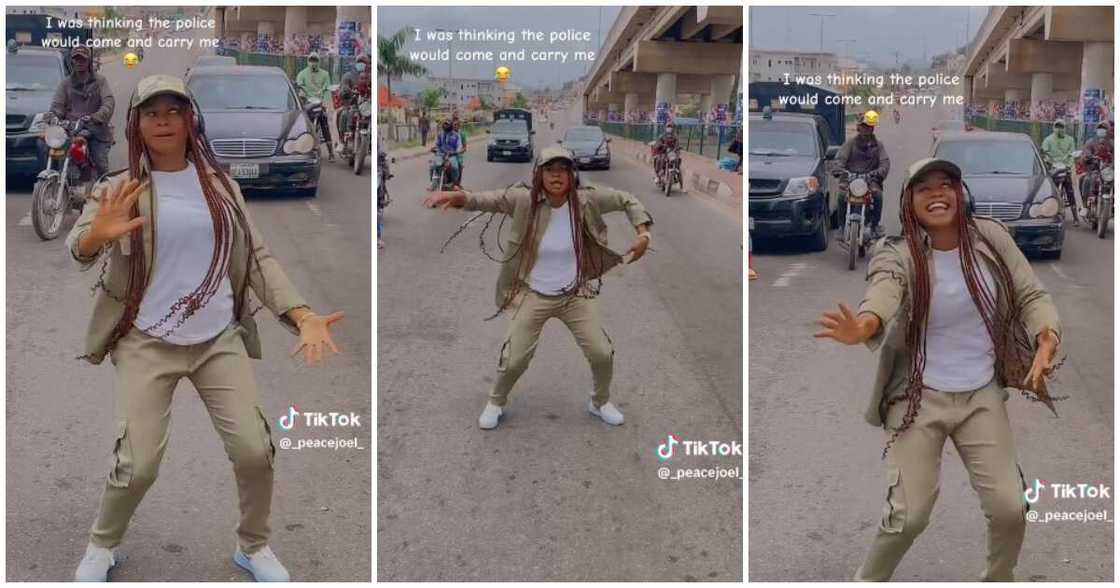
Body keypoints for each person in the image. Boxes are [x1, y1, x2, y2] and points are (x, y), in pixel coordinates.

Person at [66, 75, 345, 582]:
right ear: (137, 124)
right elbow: (81, 244)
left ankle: (253, 546)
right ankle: (102, 545)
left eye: (174, 110)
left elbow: (257, 258)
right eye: (152, 113)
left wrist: (301, 314)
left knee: (255, 450)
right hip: (146, 340)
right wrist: (93, 239)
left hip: (217, 340)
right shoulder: (120, 187)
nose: (164, 120)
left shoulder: (221, 186)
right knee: (137, 464)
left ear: (190, 119)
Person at [815, 158, 1062, 582]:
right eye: (924, 188)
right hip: (917, 398)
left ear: (959, 193)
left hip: (980, 395)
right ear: (908, 201)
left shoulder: (991, 238)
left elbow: (1030, 292)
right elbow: (884, 290)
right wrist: (865, 324)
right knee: (908, 517)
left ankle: (999, 578)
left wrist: (1046, 334)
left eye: (946, 185)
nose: (937, 194)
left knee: (1010, 508)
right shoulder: (898, 252)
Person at [422, 146, 653, 429]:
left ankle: (599, 401)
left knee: (601, 352)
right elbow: (485, 199)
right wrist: (459, 197)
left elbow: (626, 199)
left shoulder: (587, 200)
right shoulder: (523, 200)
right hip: (533, 293)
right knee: (515, 359)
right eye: (550, 170)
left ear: (572, 175)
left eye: (563, 170)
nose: (556, 176)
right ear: (539, 175)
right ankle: (496, 401)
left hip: (576, 293)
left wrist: (643, 233)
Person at [48, 46, 114, 178]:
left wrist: (96, 117)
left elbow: (109, 102)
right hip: (71, 129)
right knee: (52, 150)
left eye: (83, 59)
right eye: (76, 59)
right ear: (72, 61)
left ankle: (104, 191)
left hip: (95, 129)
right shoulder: (65, 84)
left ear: (89, 61)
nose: (79, 62)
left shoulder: (100, 81)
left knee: (101, 163)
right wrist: (53, 116)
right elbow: (57, 105)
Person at [835, 110, 891, 238]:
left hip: (871, 180)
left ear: (872, 128)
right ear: (858, 127)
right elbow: (840, 159)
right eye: (863, 126)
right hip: (850, 179)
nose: (866, 129)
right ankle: (842, 226)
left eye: (869, 127)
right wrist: (839, 169)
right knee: (841, 196)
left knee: (878, 196)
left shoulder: (878, 145)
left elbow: (885, 162)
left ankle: (875, 225)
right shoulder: (850, 143)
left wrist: (879, 172)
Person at [295, 51, 334, 161]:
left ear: (319, 61)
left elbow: (327, 90)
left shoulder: (325, 74)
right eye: (311, 60)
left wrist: (327, 103)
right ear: (308, 61)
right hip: (307, 103)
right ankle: (300, 148)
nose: (313, 62)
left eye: (315, 60)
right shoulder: (302, 74)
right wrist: (301, 94)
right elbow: (299, 85)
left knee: (324, 124)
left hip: (320, 103)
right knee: (303, 125)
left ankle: (331, 152)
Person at [1040, 119, 1080, 225]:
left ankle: (1075, 217)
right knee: (1049, 191)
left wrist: (1069, 164)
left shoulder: (1070, 140)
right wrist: (1048, 161)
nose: (1059, 129)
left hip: (1065, 168)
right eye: (1057, 126)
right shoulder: (1048, 140)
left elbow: (1072, 154)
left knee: (1070, 191)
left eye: (1061, 126)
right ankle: (1046, 212)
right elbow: (1044, 152)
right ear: (1053, 127)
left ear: (1064, 128)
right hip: (1053, 168)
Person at [1077, 120, 1114, 211]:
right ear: (1096, 130)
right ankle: (1085, 206)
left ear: (1108, 130)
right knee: (1085, 180)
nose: (1102, 130)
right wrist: (1088, 157)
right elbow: (1085, 152)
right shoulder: (1091, 141)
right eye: (1100, 128)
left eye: (1104, 128)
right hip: (1093, 169)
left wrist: (1111, 164)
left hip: (1108, 171)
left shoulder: (1112, 143)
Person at [432, 120, 463, 187]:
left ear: (450, 126)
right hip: (441, 154)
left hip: (451, 155)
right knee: (432, 166)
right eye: (444, 124)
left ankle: (455, 182)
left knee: (454, 167)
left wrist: (456, 151)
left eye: (447, 124)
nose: (445, 126)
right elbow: (437, 144)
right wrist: (434, 148)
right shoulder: (440, 134)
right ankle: (433, 182)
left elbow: (459, 146)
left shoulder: (456, 135)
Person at [452, 117, 467, 185]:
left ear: (459, 125)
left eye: (457, 124)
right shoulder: (448, 134)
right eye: (454, 124)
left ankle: (458, 183)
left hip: (458, 156)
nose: (456, 126)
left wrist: (459, 151)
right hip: (449, 155)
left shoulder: (462, 134)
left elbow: (464, 148)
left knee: (459, 166)